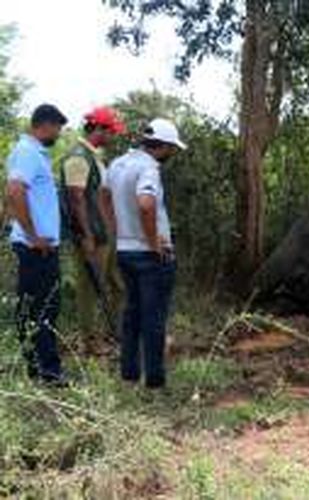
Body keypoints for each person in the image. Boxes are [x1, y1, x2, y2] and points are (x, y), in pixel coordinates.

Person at [100, 118, 186, 389]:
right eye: (172, 148)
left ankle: (129, 375)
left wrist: (116, 230)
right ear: (162, 146)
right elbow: (146, 205)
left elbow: (102, 195)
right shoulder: (149, 168)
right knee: (154, 317)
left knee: (132, 314)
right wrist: (152, 243)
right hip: (150, 256)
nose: (172, 154)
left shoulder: (117, 164)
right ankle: (155, 381)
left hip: (125, 251)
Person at [4, 104, 68, 385]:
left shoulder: (31, 153)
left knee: (36, 307)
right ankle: (48, 372)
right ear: (45, 124)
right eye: (57, 128)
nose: (57, 134)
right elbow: (14, 191)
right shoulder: (28, 153)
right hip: (35, 248)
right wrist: (32, 236)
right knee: (43, 308)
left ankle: (35, 367)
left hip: (38, 246)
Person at [60, 107, 127, 351]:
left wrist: (111, 229)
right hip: (91, 235)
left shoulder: (93, 156)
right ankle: (89, 341)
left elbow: (99, 196)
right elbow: (75, 198)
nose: (113, 137)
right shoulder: (78, 157)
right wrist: (86, 235)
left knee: (116, 283)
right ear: (99, 129)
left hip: (103, 233)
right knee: (89, 287)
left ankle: (116, 331)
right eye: (111, 132)